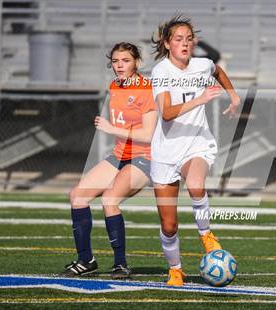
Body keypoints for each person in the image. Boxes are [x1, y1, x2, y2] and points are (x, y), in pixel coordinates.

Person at [150, 15, 241, 286]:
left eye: (189, 39)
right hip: (165, 153)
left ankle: (207, 237)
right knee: (169, 226)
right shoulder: (161, 72)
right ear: (167, 43)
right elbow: (166, 113)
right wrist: (201, 99)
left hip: (197, 144)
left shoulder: (202, 65)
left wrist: (234, 96)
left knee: (196, 185)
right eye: (178, 39)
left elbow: (217, 71)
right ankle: (176, 270)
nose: (185, 44)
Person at [61, 42, 158, 279]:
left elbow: (147, 135)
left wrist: (112, 129)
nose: (119, 66)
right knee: (77, 197)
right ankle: (86, 260)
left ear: (136, 62)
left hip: (143, 158)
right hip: (119, 156)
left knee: (110, 199)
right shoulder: (114, 86)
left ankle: (120, 264)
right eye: (115, 61)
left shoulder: (147, 89)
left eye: (125, 61)